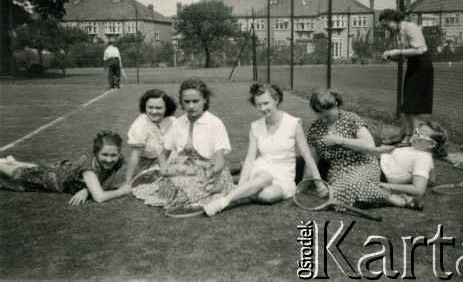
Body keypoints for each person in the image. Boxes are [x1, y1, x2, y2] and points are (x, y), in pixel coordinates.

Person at [203, 83, 327, 217]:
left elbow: (308, 157)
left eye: (266, 103)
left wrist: (319, 184)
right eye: (259, 105)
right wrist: (242, 183)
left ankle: (239, 190)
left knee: (267, 196)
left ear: (276, 100)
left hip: (284, 175)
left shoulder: (293, 123)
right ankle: (223, 201)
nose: (263, 108)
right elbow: (250, 159)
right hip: (262, 169)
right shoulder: (255, 126)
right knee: (265, 177)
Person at [306, 89, 423, 210]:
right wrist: (307, 186)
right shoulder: (315, 128)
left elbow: (369, 144)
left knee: (351, 186)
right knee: (334, 195)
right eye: (320, 117)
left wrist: (339, 140)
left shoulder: (351, 118)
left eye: (327, 115)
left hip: (363, 164)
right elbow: (311, 160)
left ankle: (395, 200)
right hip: (338, 172)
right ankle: (374, 198)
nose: (324, 120)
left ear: (335, 105)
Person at [132, 79, 235, 208]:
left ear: (205, 100)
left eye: (195, 101)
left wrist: (210, 173)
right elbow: (163, 155)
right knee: (169, 186)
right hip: (185, 170)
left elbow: (219, 163)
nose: (191, 106)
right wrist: (164, 168)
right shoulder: (178, 123)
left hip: (212, 172)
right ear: (181, 102)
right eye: (187, 102)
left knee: (180, 188)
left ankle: (215, 191)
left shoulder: (215, 123)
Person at [0, 131, 131, 204]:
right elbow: (100, 197)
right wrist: (124, 190)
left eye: (113, 155)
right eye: (105, 155)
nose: (109, 159)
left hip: (64, 168)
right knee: (20, 174)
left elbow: (105, 183)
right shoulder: (89, 168)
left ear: (119, 153)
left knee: (38, 167)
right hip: (56, 178)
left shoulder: (118, 160)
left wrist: (86, 190)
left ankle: (13, 162)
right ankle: (6, 164)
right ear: (96, 153)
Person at [380, 9, 434, 147]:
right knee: (407, 104)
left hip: (422, 65)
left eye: (387, 25)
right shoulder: (398, 33)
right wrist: (390, 57)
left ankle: (416, 138)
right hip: (413, 65)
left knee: (413, 105)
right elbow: (403, 57)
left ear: (394, 19)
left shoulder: (411, 27)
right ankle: (409, 135)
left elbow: (419, 50)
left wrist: (396, 51)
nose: (387, 29)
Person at [377, 121, 448, 197]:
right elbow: (431, 180)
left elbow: (418, 189)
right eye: (416, 132)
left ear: (431, 144)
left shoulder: (423, 158)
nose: (415, 136)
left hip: (379, 173)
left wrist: (387, 186)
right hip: (377, 164)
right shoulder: (416, 148)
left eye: (420, 135)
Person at [124, 89, 177, 184]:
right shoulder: (140, 125)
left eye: (158, 108)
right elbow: (134, 156)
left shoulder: (172, 122)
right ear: (145, 107)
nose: (154, 111)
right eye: (150, 107)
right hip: (149, 165)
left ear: (166, 108)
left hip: (169, 161)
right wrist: (127, 182)